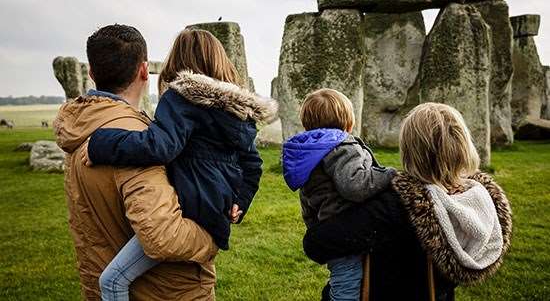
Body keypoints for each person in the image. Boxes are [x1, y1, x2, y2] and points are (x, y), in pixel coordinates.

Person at [83, 29, 278, 301]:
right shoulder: (237, 111)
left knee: (112, 280)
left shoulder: (182, 97)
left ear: (177, 61)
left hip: (188, 206)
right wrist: (241, 202)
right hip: (215, 213)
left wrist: (100, 144)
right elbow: (253, 164)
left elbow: (159, 146)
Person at [54, 24, 218, 300]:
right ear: (144, 70)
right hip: (161, 292)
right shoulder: (136, 141)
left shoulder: (80, 128)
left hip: (101, 282)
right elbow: (163, 237)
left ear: (92, 74)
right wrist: (213, 236)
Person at [302, 103, 513, 301]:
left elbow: (317, 242)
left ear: (411, 149)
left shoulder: (396, 204)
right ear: (463, 144)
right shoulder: (479, 200)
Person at [282, 88, 396, 300]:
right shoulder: (342, 146)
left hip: (329, 228)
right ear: (348, 123)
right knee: (348, 288)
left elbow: (307, 200)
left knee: (344, 278)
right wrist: (388, 174)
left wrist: (316, 228)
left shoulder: (310, 153)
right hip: (349, 226)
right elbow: (355, 185)